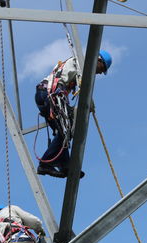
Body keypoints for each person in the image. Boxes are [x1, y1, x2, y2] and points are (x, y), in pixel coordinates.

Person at [35, 50, 112, 178]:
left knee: (64, 131)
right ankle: (45, 164)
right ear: (97, 60)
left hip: (45, 95)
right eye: (101, 68)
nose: (98, 73)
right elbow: (84, 87)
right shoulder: (81, 64)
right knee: (66, 130)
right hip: (49, 95)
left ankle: (65, 165)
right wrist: (90, 105)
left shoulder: (74, 65)